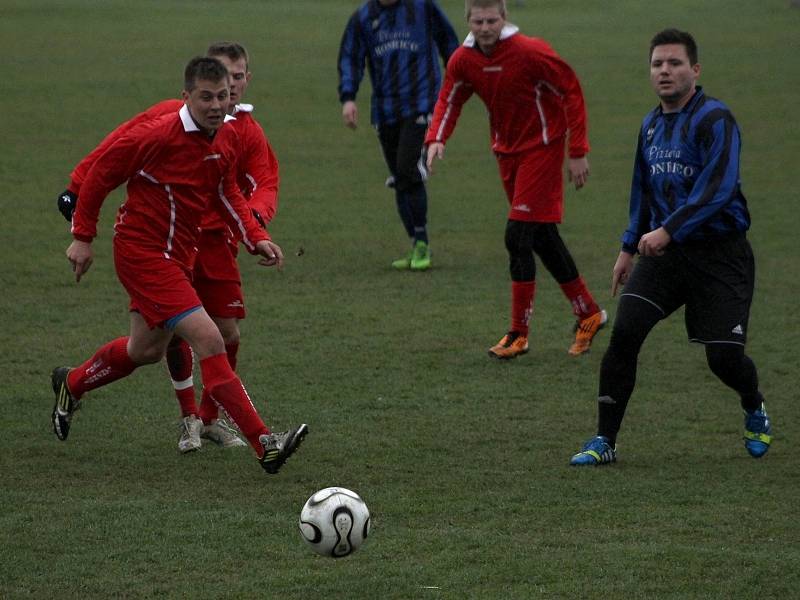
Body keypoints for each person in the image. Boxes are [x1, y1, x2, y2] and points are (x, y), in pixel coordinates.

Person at [51, 56, 308, 475]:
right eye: (206, 97)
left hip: (178, 253)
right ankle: (266, 444)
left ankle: (72, 383)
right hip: (143, 253)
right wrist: (82, 237)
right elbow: (101, 173)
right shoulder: (159, 134)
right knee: (210, 338)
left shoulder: (226, 138)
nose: (215, 105)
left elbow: (227, 193)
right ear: (186, 96)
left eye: (222, 96)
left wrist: (255, 237)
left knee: (146, 349)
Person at [569, 29, 772, 466]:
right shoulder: (650, 125)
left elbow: (716, 188)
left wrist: (668, 230)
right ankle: (605, 441)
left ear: (694, 70)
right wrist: (628, 249)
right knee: (624, 334)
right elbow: (641, 190)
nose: (665, 70)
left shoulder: (716, 119)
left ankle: (753, 405)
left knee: (723, 358)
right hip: (664, 255)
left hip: (720, 255)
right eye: (658, 63)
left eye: (675, 63)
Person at [426, 0, 605, 358]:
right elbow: (451, 96)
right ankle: (588, 312)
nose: (485, 27)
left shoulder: (530, 52)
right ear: (469, 21)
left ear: (504, 19)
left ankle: (518, 334)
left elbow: (571, 89)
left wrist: (577, 151)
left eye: (492, 20)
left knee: (517, 235)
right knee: (541, 236)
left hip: (543, 148)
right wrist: (436, 138)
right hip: (506, 153)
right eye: (478, 21)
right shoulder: (463, 59)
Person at [337, 0, 459, 270]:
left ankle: (422, 243)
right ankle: (416, 242)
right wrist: (348, 97)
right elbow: (350, 56)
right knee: (399, 175)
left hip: (422, 104)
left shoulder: (423, 7)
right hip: (385, 109)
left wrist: (460, 76)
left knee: (406, 168)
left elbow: (448, 41)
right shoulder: (363, 17)